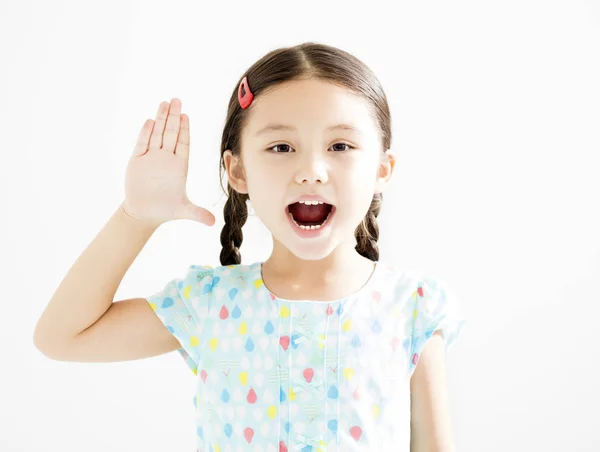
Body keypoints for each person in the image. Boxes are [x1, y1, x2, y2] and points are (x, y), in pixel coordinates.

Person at [33, 42, 466, 451]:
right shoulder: (210, 303)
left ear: (382, 169)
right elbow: (62, 338)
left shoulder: (412, 308)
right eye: (281, 146)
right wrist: (137, 217)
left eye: (340, 146)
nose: (311, 170)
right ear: (237, 171)